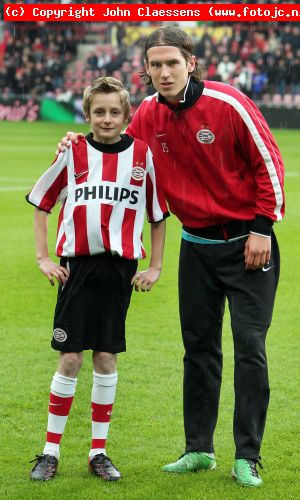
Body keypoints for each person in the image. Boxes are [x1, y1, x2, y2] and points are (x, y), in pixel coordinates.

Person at [58, 26, 285, 487]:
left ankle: (247, 455)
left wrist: (262, 228)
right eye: (155, 64)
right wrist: (73, 144)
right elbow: (112, 145)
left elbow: (270, 164)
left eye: (172, 63)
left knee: (249, 348)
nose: (163, 72)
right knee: (198, 350)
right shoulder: (145, 114)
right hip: (196, 247)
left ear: (191, 64)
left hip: (248, 244)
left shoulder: (229, 104)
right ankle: (199, 448)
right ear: (146, 69)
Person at [26, 76, 169, 482]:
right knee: (70, 357)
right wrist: (42, 257)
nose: (107, 119)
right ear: (87, 115)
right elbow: (42, 201)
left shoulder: (142, 155)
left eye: (114, 112)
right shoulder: (73, 151)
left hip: (120, 270)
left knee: (106, 357)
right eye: (99, 112)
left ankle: (98, 453)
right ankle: (50, 452)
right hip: (77, 267)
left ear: (127, 116)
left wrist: (155, 266)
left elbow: (158, 216)